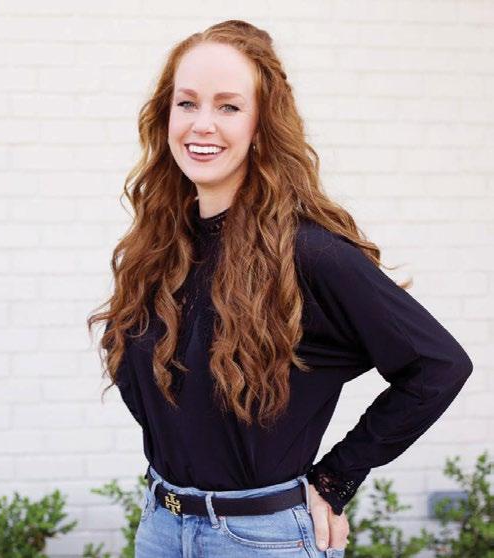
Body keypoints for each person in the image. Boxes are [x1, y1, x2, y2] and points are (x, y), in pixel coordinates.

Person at [87, 19, 473, 558]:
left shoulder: (309, 253)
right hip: (161, 528)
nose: (202, 123)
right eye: (187, 103)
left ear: (261, 124)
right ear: (165, 115)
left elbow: (437, 365)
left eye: (229, 106)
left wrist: (336, 478)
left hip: (262, 540)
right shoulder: (160, 248)